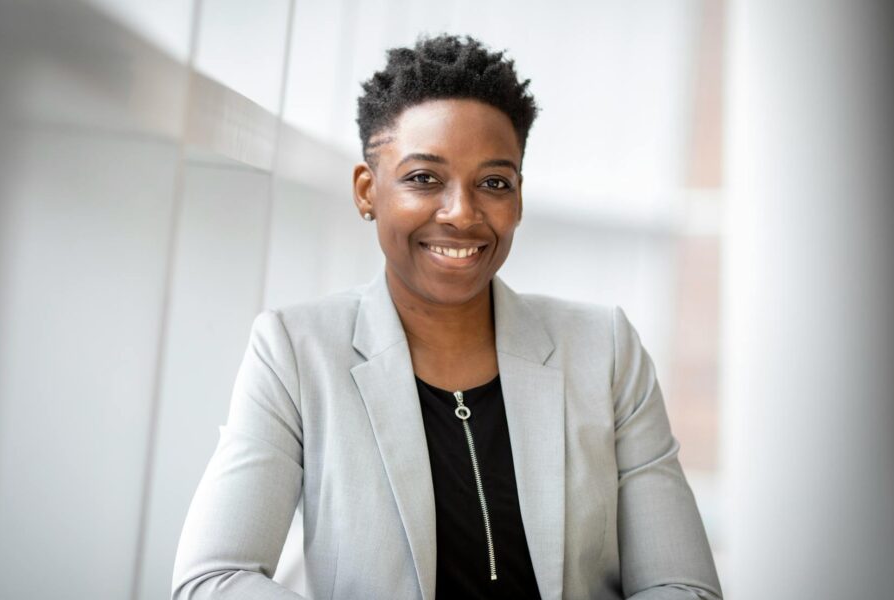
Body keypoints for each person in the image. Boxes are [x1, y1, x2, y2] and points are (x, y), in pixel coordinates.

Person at [172, 34, 723, 600]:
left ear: (519, 199)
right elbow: (213, 578)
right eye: (423, 178)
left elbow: (684, 586)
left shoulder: (605, 350)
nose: (462, 214)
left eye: (493, 183)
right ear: (368, 191)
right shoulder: (296, 350)